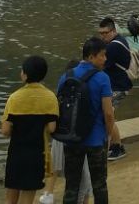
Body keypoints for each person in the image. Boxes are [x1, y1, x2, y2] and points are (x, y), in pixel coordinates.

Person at [57, 39, 117, 204]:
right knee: (99, 185)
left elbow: (60, 108)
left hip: (72, 138)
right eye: (102, 55)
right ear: (91, 57)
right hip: (96, 139)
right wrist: (109, 134)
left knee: (71, 185)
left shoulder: (65, 76)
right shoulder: (103, 78)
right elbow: (108, 113)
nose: (105, 59)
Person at [2, 55, 59, 204]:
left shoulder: (14, 98)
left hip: (16, 153)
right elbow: (52, 128)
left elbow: (5, 130)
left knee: (10, 198)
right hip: (37, 154)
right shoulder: (50, 97)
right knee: (27, 199)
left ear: (25, 74)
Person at [42, 63, 90, 204]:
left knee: (55, 162)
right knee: (83, 175)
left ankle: (48, 193)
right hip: (79, 137)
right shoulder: (85, 88)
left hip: (62, 134)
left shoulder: (64, 85)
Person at [96, 18, 132, 161]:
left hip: (118, 86)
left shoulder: (113, 47)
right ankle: (115, 146)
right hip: (119, 84)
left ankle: (117, 147)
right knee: (107, 115)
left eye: (105, 33)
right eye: (101, 33)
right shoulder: (120, 40)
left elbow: (99, 66)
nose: (102, 36)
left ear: (113, 31)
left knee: (107, 115)